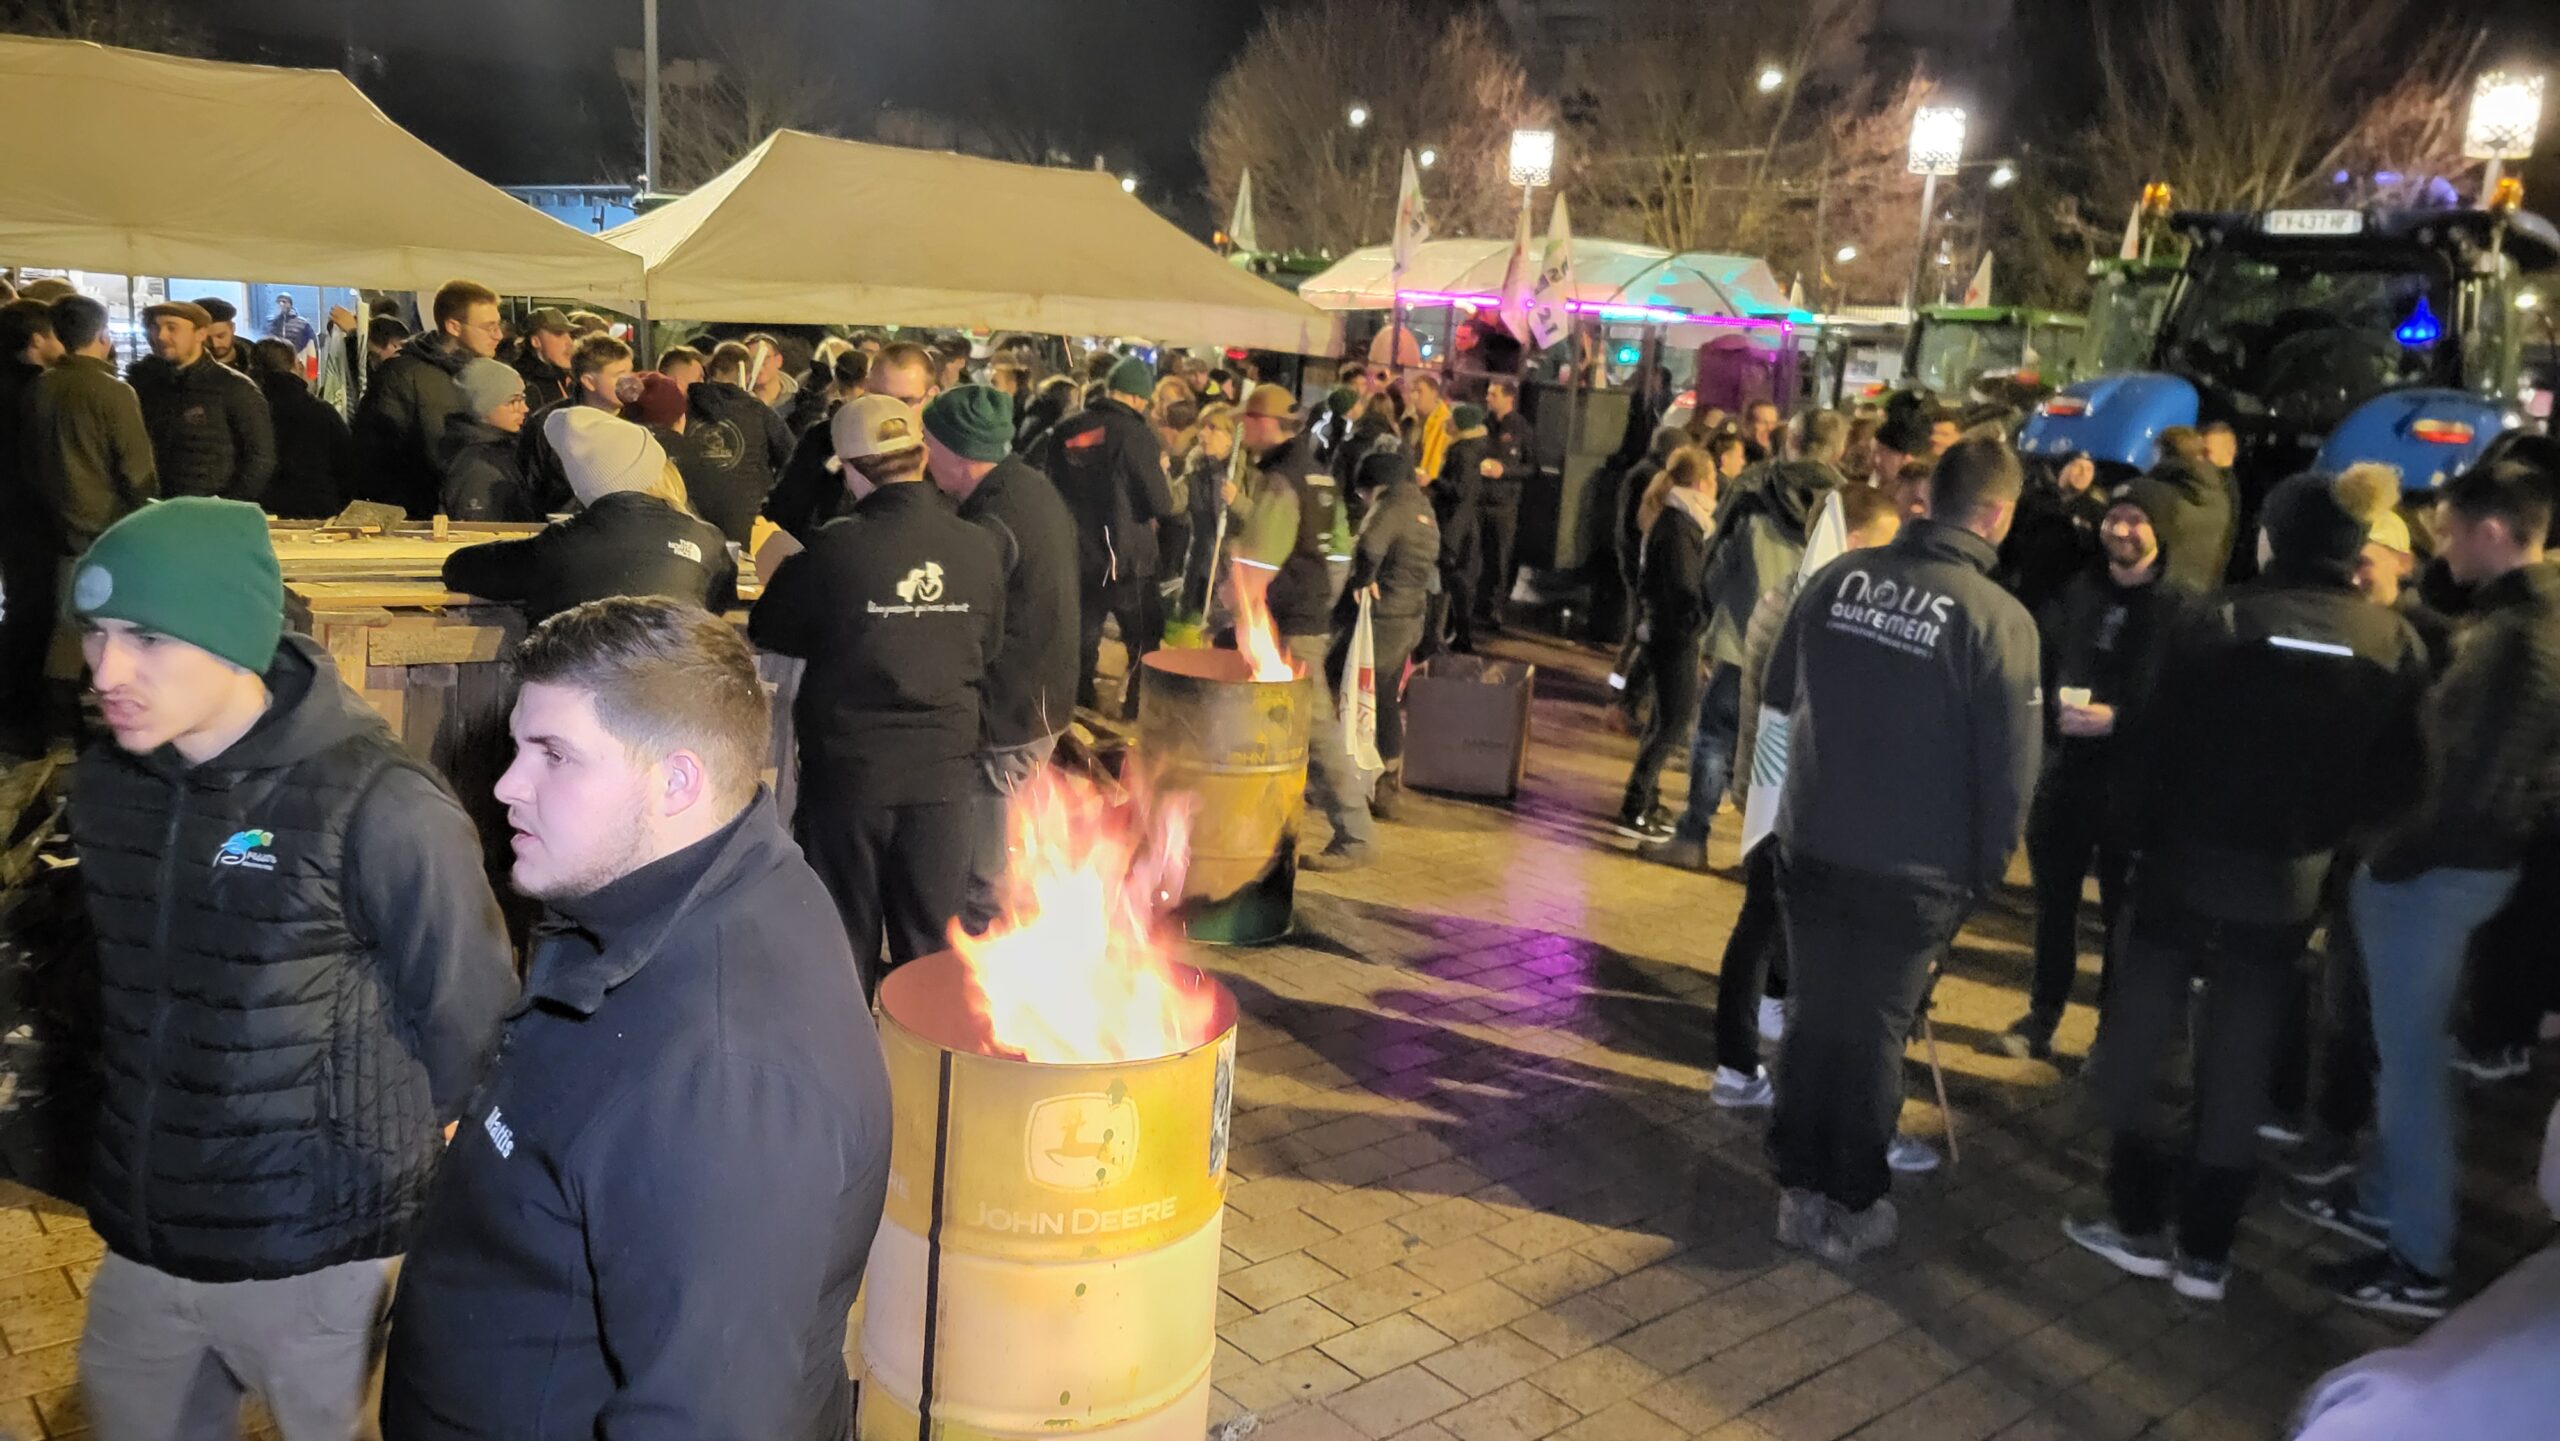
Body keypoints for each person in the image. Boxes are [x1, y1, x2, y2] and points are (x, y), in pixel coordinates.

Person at [381, 598, 889, 1440]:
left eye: (554, 755)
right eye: (517, 747)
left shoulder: (722, 1079)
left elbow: (708, 1417)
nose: (507, 784)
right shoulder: (693, 888)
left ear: (678, 780)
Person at [62, 498, 516, 1440]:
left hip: (317, 1251)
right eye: (95, 634)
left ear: (230, 636)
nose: (106, 670)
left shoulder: (379, 803)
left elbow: (471, 1019)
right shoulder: (108, 783)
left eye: (145, 637)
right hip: (148, 1231)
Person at [2070, 471, 2430, 1304]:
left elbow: (2152, 746)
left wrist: (2134, 838)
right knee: (2240, 1054)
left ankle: (2135, 1221)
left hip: (2183, 862)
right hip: (2288, 880)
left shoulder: (2219, 621)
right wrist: (2336, 846)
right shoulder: (2393, 643)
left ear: (2274, 536)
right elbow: (2406, 781)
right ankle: (2206, 1249)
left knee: (2144, 1038)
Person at [2291, 461, 2560, 1319]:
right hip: (2473, 864)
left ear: (2490, 530)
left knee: (2411, 1068)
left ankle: (2417, 1254)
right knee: (2411, 1049)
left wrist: (2388, 858)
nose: (2439, 546)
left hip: (2437, 871)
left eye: (2447, 530)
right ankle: (2381, 1199)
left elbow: (2469, 775)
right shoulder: (2530, 618)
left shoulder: (2521, 638)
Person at [1762, 438, 2041, 1262]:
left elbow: (1780, 693)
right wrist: (1985, 874)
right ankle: (1851, 1198)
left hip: (1813, 840)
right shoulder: (1999, 620)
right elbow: (2010, 773)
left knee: (1814, 1016)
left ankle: (1797, 1184)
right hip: (1917, 869)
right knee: (1875, 1030)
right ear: (1996, 514)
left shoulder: (1834, 581)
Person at [750, 395, 1003, 989]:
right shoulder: (982, 545)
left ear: (852, 469)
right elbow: (985, 646)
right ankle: (929, 1069)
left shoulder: (835, 548)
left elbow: (770, 628)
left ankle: (848, 1072)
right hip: (944, 773)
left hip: (851, 772)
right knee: (933, 951)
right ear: (920, 456)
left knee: (842, 942)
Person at [1707, 484, 1904, 1105]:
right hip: (1784, 794)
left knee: (1766, 920)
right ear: (1853, 539)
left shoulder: (1793, 591)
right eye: (1883, 545)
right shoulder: (1811, 605)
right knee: (1760, 922)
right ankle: (1735, 1066)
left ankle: (1760, 1019)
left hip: (1771, 787)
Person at [1998, 479, 2192, 1059]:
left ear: (2161, 532)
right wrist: (2049, 712)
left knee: (2122, 917)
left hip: (2133, 784)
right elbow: (2042, 658)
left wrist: (2121, 720)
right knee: (2053, 906)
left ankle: (2112, 1031)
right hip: (2066, 773)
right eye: (2116, 518)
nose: (2123, 530)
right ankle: (2044, 1012)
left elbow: (2187, 702)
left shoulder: (2183, 608)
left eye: (2137, 521)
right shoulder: (2077, 591)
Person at [1641, 412, 1847, 858]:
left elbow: (1716, 561)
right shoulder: (1843, 502)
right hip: (1807, 646)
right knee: (1785, 750)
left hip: (1740, 637)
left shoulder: (1754, 489)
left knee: (1715, 735)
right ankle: (1763, 854)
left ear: (1790, 438)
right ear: (1838, 449)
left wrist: (1709, 619)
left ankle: (1693, 836)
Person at [920, 386, 1081, 929]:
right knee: (1007, 852)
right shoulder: (1026, 486)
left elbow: (966, 618)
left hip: (1009, 714)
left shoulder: (995, 522)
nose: (923, 454)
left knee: (983, 875)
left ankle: (981, 986)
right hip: (1039, 701)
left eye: (929, 443)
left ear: (959, 453)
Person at [1231, 383, 1373, 869]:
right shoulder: (1317, 475)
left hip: (1285, 624)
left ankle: (1354, 833)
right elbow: (1338, 550)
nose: (1243, 430)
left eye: (1248, 421)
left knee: (1313, 726)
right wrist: (1321, 601)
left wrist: (1240, 609)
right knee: (1293, 724)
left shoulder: (1281, 481)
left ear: (1265, 424)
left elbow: (1261, 562)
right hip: (1306, 616)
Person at [442, 409, 736, 624]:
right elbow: (720, 600)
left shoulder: (561, 545)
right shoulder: (706, 539)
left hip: (572, 694)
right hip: (673, 696)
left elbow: (460, 568)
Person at [1045, 356, 1177, 717]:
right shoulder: (1135, 434)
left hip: (1078, 555)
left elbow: (1048, 483)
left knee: (1082, 642)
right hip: (1128, 558)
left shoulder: (1067, 429)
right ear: (1138, 397)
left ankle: (1079, 712)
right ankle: (1136, 711)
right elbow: (1160, 503)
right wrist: (1162, 471)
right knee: (1143, 641)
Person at [1613, 447, 1720, 838]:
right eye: (1714, 478)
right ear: (1702, 481)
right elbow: (1681, 587)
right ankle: (1635, 806)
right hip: (1673, 636)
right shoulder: (1679, 525)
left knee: (1662, 719)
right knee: (1672, 724)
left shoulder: (1679, 520)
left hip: (1666, 632)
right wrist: (1699, 618)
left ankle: (1647, 799)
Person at [355, 279, 501, 517]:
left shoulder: (490, 374)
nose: (499, 335)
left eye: (498, 325)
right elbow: (374, 457)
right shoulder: (401, 374)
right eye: (489, 327)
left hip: (480, 510)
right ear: (454, 326)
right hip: (421, 518)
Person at [1347, 449, 1440, 819]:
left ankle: (1365, 779)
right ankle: (1385, 783)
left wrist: (1362, 579)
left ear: (1376, 486)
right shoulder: (1423, 508)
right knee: (1385, 694)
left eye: (1363, 494)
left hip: (1385, 616)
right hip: (1411, 615)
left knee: (1361, 690)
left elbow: (1368, 545)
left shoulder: (1390, 506)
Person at [766, 341, 935, 542]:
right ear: (866, 386)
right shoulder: (824, 439)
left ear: (930, 396)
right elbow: (781, 512)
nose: (889, 409)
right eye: (879, 397)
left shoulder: (941, 454)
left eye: (904, 401)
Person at [29, 294, 157, 555]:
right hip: (108, 528)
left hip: (51, 524)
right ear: (103, 336)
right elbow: (138, 471)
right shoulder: (114, 391)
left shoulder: (39, 386)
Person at [128, 299, 277, 504]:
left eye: (172, 328)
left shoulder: (235, 388)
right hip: (154, 511)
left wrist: (224, 506)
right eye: (155, 327)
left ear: (200, 334)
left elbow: (260, 458)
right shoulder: (143, 383)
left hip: (211, 514)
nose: (161, 336)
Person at [0, 299, 65, 750]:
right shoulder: (36, 391)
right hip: (29, 516)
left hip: (12, 514)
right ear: (39, 339)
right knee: (33, 614)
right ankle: (22, 716)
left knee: (22, 610)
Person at [520, 332, 638, 512]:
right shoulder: (550, 425)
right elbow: (531, 487)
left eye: (631, 372)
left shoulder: (640, 418)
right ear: (589, 382)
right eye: (619, 376)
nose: (631, 382)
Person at [247, 337, 353, 520]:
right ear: (297, 365)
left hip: (260, 510)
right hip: (317, 507)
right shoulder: (320, 411)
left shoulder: (246, 408)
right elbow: (346, 463)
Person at [440, 357, 535, 522]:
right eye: (513, 401)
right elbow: (480, 534)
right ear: (483, 405)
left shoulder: (500, 449)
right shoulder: (477, 466)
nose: (524, 409)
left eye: (523, 398)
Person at [2143, 426, 2237, 591]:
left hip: (2158, 591)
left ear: (2161, 453)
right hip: (2202, 591)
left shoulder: (2158, 491)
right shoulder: (2219, 492)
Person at [1436, 404, 1493, 653]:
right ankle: (1458, 633)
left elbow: (1459, 490)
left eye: (1451, 420)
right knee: (1461, 581)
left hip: (1455, 527)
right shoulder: (1476, 448)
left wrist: (1433, 481)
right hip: (1466, 526)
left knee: (1455, 581)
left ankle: (1458, 634)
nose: (1446, 423)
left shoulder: (1463, 451)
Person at [1478, 378, 1533, 627]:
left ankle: (1494, 610)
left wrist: (1505, 472)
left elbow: (1532, 467)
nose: (1488, 398)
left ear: (1509, 398)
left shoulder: (1521, 428)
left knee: (1499, 559)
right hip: (1479, 500)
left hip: (1504, 504)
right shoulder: (1483, 424)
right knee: (1475, 556)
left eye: (1493, 394)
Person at [511, 306, 577, 408]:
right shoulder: (520, 383)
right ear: (535, 341)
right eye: (559, 334)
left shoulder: (566, 378)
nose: (570, 342)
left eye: (570, 335)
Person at [1403, 372, 1454, 483]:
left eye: (1419, 391)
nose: (1414, 396)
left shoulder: (1446, 424)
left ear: (1434, 394)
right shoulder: (1408, 421)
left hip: (1430, 487)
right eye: (1412, 391)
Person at [192, 296, 244, 371]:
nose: (215, 344)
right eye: (206, 338)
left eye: (220, 336)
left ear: (232, 328)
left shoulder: (254, 355)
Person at [1740, 399, 1782, 464]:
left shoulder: (1783, 458)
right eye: (1763, 422)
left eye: (1773, 423)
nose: (1769, 428)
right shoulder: (1740, 459)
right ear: (1748, 425)